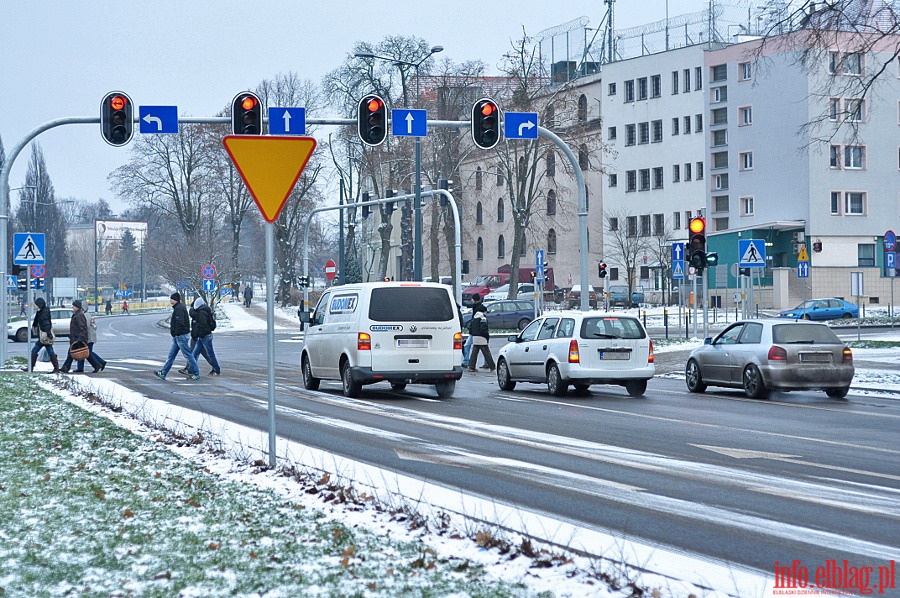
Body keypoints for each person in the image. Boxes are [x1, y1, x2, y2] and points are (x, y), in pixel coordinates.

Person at [154, 293, 200, 381]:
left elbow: (180, 322)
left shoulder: (179, 308)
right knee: (171, 355)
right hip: (178, 336)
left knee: (188, 355)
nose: (170, 300)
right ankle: (163, 372)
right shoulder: (179, 307)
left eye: (171, 299)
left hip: (181, 336)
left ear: (175, 300)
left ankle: (196, 373)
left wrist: (177, 333)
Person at [181, 296, 221, 376]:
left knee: (209, 354)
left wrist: (200, 335)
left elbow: (203, 326)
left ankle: (216, 369)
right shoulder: (204, 311)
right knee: (195, 353)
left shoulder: (202, 313)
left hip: (204, 336)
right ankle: (191, 370)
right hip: (203, 336)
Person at [63, 300, 103, 373]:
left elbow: (83, 328)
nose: (72, 307)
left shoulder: (79, 315)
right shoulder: (77, 314)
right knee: (80, 353)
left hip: (78, 338)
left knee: (76, 353)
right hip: (76, 338)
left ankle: (65, 368)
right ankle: (96, 365)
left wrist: (80, 338)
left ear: (77, 307)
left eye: (74, 306)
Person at [24, 297, 59, 373]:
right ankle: (56, 368)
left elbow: (46, 324)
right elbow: (38, 321)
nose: (36, 307)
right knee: (49, 351)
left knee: (36, 351)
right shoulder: (42, 311)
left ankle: (31, 368)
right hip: (43, 336)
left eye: (37, 305)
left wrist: (49, 334)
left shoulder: (43, 312)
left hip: (44, 335)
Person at [462, 294, 487, 368]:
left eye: (472, 299)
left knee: (482, 347)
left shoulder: (481, 308)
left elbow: (481, 320)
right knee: (482, 347)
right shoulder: (476, 307)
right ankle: (466, 361)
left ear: (475, 300)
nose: (471, 300)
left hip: (477, 331)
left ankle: (467, 361)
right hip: (474, 331)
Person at [467, 309, 495, 373]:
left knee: (474, 353)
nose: (486, 313)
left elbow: (470, 327)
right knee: (486, 353)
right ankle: (492, 367)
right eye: (486, 312)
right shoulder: (483, 318)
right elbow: (483, 329)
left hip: (475, 337)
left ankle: (471, 367)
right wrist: (487, 336)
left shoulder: (474, 317)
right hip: (482, 337)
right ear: (483, 311)